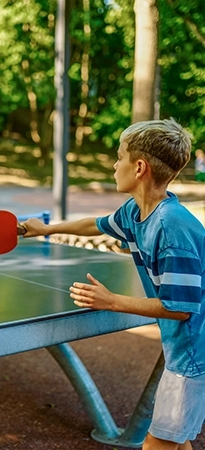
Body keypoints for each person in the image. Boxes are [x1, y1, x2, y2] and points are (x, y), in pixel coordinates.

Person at [22, 118, 204, 450]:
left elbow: (179, 308)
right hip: (187, 347)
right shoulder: (137, 212)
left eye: (119, 157)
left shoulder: (170, 229)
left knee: (158, 442)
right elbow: (96, 224)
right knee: (176, 440)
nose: (113, 165)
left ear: (138, 167)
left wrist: (112, 301)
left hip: (196, 352)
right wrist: (46, 230)